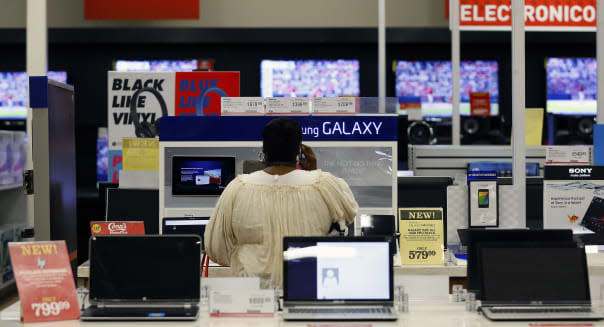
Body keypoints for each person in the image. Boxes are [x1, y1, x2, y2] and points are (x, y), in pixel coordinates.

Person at [204, 117, 358, 287]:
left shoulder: (237, 188)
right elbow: (346, 218)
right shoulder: (325, 185)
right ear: (300, 151)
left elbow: (215, 248)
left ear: (264, 150)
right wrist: (313, 173)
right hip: (307, 290)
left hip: (252, 296)